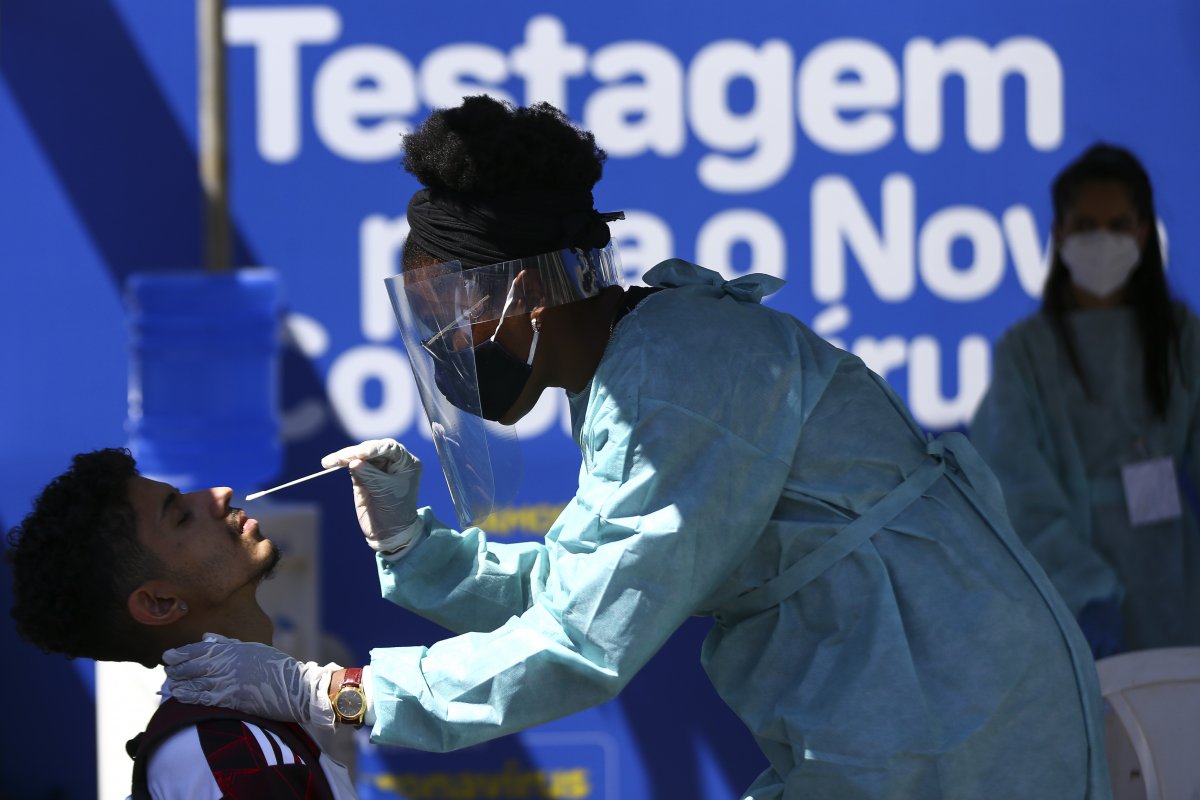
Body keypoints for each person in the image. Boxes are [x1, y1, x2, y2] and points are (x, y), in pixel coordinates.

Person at [164, 96, 1111, 799]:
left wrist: (337, 693)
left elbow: (581, 643)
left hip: (950, 723)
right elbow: (584, 584)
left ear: (521, 299)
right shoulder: (639, 369)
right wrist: (416, 547)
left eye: (449, 316)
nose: (446, 346)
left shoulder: (683, 383)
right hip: (904, 712)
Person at [4, 448, 357, 799]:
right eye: (181, 517)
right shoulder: (228, 751)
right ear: (160, 603)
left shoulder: (233, 734)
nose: (220, 493)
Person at [970, 143, 1200, 659]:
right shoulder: (1026, 353)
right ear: (1059, 235)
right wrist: (1084, 590)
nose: (1103, 240)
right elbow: (1016, 488)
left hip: (1181, 592)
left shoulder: (1183, 339)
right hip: (1069, 605)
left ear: (1143, 232)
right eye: (1086, 225)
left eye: (1118, 224)